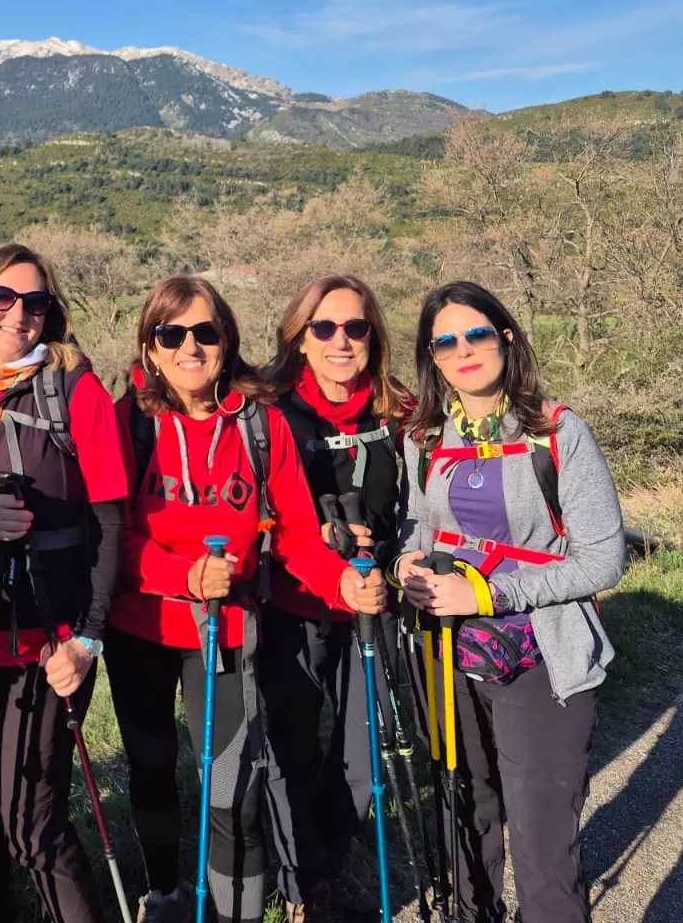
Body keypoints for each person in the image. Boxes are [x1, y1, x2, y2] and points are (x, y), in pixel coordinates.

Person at [106, 276, 386, 923]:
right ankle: (165, 897)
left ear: (226, 340)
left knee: (234, 794)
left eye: (205, 333)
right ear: (149, 348)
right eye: (171, 334)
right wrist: (184, 576)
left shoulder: (260, 425)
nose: (190, 347)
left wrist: (341, 580)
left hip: (227, 631)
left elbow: (294, 534)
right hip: (141, 627)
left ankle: (237, 913)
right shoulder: (130, 422)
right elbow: (113, 534)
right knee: (152, 769)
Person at [397, 281, 625, 923]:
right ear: (432, 358)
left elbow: (603, 559)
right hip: (447, 653)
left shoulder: (558, 432)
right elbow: (417, 530)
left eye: (476, 334)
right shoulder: (424, 438)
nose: (463, 351)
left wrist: (490, 592)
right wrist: (403, 565)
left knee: (542, 843)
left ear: (507, 338)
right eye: (445, 342)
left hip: (541, 657)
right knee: (465, 817)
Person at [0, 242, 129, 923]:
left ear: (51, 312)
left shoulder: (77, 393)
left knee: (31, 824)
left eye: (34, 302)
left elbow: (110, 523)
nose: (18, 314)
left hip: (48, 646)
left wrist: (88, 641)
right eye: (2, 297)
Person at [256, 275, 411, 921]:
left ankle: (333, 860)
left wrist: (396, 551)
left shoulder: (398, 411)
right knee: (292, 749)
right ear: (300, 338)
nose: (340, 341)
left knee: (362, 751)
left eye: (355, 327)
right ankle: (302, 886)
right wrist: (309, 532)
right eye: (323, 327)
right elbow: (257, 509)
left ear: (374, 336)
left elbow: (425, 499)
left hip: (375, 601)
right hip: (295, 606)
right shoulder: (272, 413)